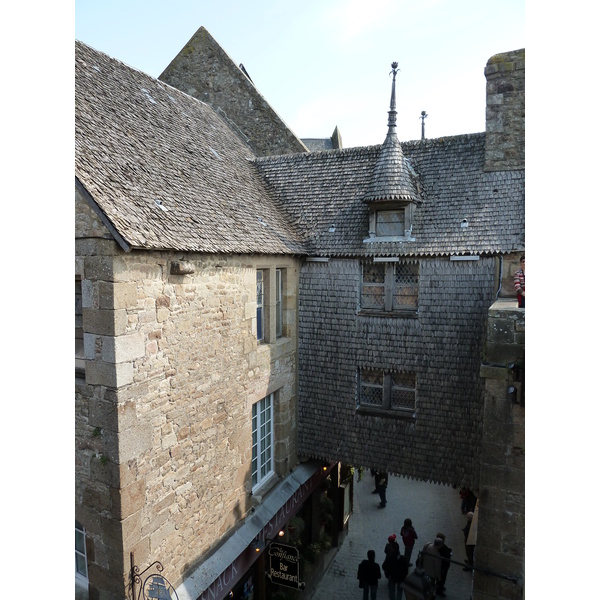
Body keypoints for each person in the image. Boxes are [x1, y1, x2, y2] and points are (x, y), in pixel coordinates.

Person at [435, 532, 452, 597]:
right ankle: (439, 590)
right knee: (441, 579)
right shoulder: (439, 548)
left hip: (444, 566)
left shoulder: (441, 546)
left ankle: (440, 587)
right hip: (442, 567)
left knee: (442, 579)